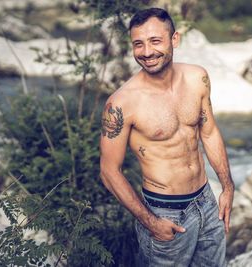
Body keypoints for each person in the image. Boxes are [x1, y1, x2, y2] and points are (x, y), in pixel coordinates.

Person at [99, 7, 234, 267]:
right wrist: (151, 222)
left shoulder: (197, 78)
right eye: (138, 44)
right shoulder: (121, 103)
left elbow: (209, 132)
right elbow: (108, 171)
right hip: (165, 212)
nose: (147, 52)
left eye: (155, 41)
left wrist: (227, 187)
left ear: (175, 39)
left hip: (207, 201)